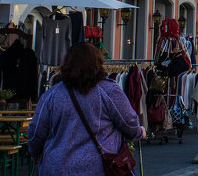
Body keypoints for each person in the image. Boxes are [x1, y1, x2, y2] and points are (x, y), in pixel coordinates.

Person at [28, 42, 144, 175]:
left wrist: (34, 152)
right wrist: (139, 132)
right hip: (97, 167)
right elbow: (129, 122)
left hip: (57, 167)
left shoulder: (52, 94)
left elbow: (36, 131)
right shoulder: (109, 91)